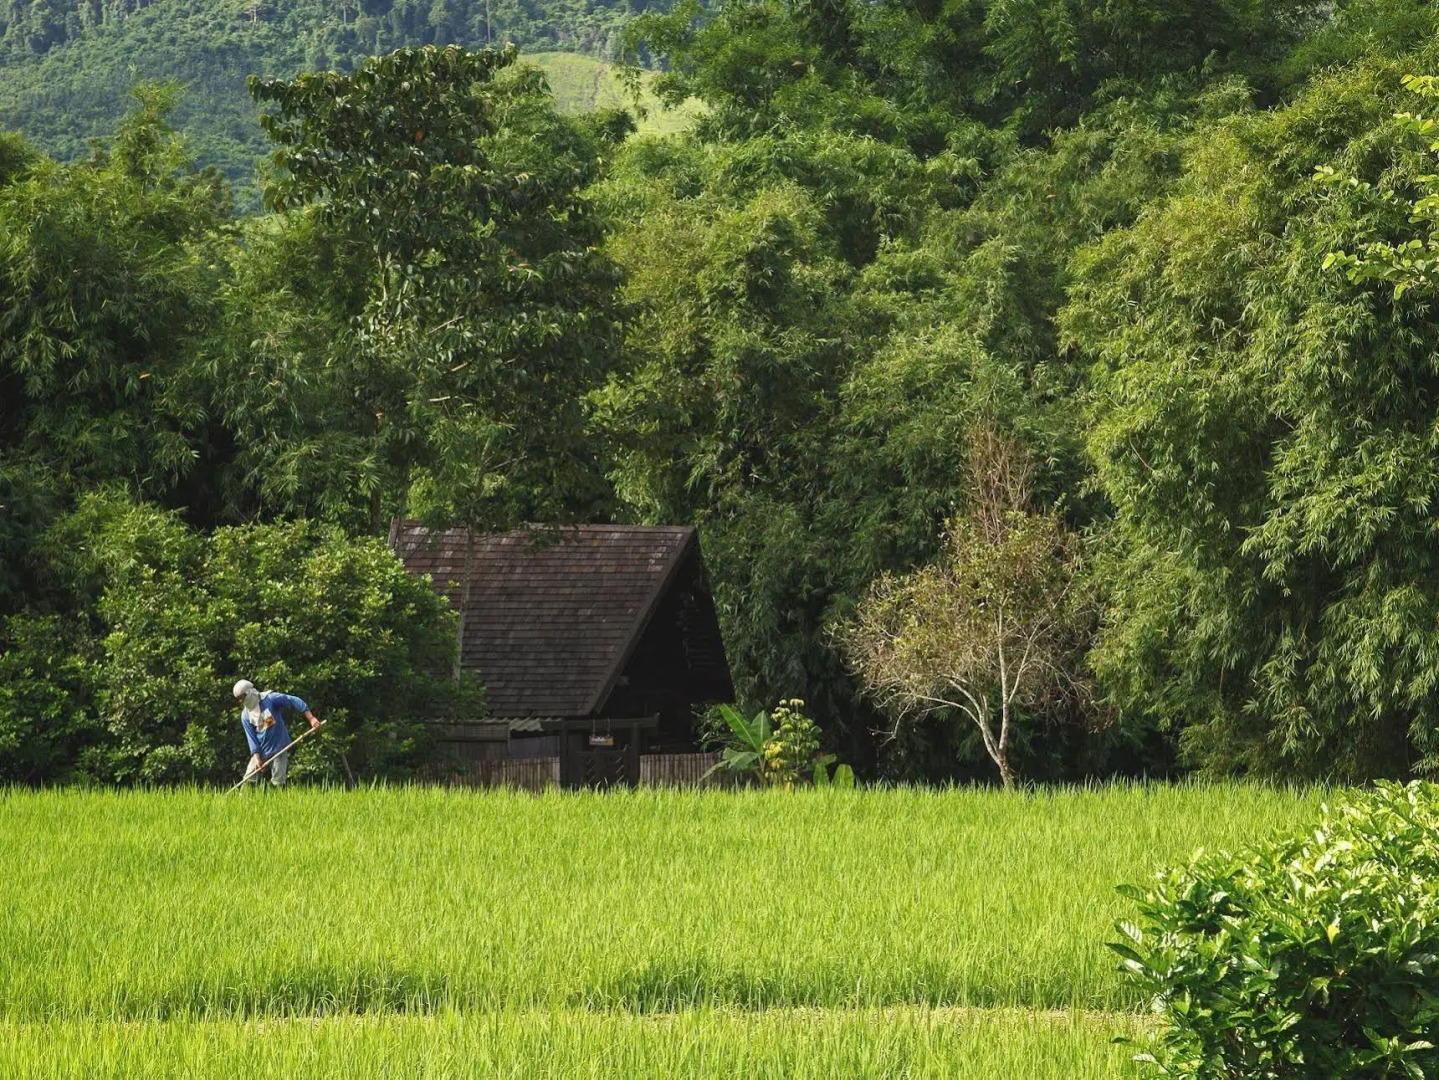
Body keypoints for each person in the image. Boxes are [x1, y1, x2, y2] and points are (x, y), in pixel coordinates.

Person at [232, 679, 321, 787]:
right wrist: (257, 758)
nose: (241, 701)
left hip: (279, 747)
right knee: (248, 781)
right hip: (261, 751)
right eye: (238, 699)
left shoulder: (270, 699)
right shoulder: (245, 716)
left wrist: (311, 718)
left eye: (242, 697)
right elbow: (252, 738)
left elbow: (293, 700)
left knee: (278, 782)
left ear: (250, 692)